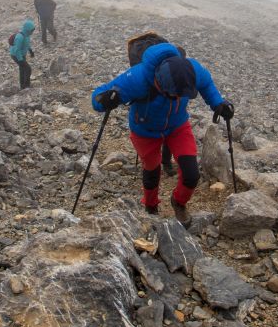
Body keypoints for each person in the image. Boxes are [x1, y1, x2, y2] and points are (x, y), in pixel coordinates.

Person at [91, 42, 233, 226]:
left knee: (191, 174)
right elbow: (98, 95)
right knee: (152, 170)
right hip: (145, 131)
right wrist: (104, 101)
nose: (179, 98)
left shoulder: (191, 69)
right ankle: (151, 206)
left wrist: (218, 103)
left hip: (177, 125)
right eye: (175, 95)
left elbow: (206, 84)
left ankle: (178, 202)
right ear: (159, 84)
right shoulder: (137, 78)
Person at [9, 19, 35, 89]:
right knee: (28, 69)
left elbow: (27, 44)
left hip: (21, 55)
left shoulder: (27, 35)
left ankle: (22, 86)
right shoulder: (20, 37)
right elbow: (17, 50)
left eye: (33, 30)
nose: (32, 32)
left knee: (22, 69)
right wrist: (20, 59)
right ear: (27, 30)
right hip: (15, 55)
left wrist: (30, 51)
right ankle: (26, 86)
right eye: (31, 30)